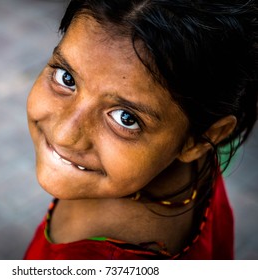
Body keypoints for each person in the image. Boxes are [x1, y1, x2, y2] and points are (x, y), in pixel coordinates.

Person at [24, 0, 257, 259]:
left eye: (126, 118)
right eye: (66, 78)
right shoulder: (190, 158)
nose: (64, 135)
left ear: (204, 139)